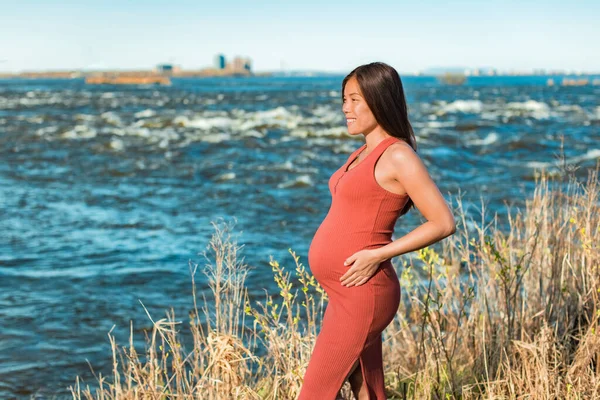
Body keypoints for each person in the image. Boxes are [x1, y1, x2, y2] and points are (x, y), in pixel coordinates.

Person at [297, 62, 456, 400]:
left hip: (364, 292)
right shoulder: (362, 152)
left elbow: (443, 222)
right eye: (344, 99)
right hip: (346, 292)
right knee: (366, 386)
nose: (345, 108)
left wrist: (379, 253)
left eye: (355, 99)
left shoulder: (398, 155)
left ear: (379, 99)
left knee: (314, 393)